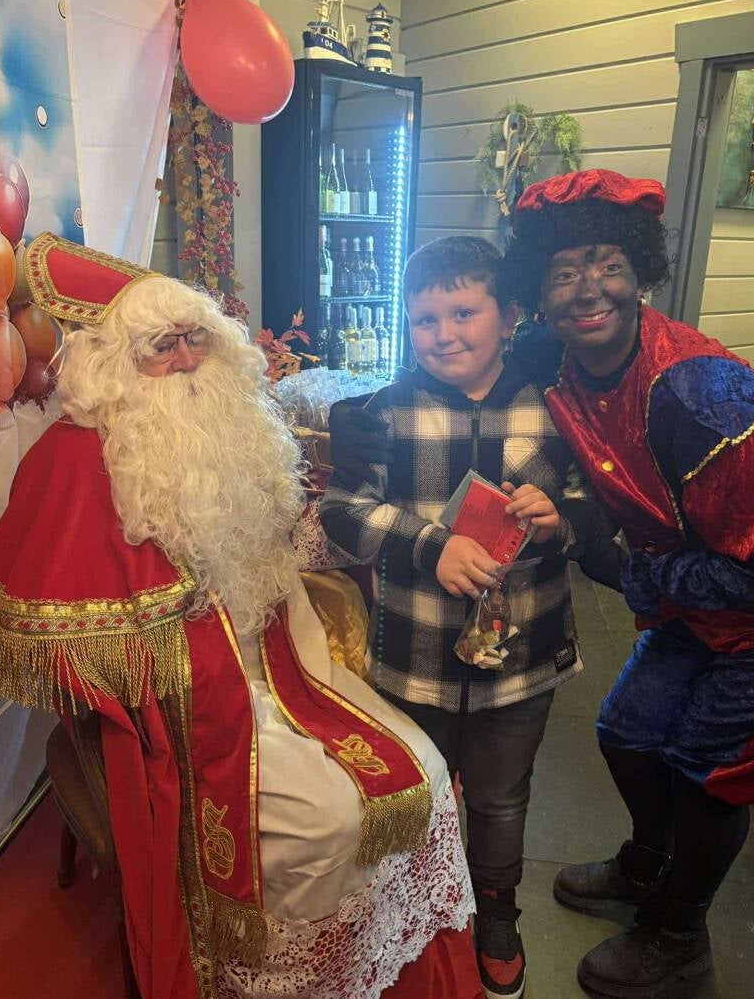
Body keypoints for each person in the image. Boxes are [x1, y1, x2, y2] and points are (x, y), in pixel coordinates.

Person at [0, 232, 484, 999]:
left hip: (284, 663)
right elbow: (39, 629)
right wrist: (151, 640)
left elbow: (281, 549)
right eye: (162, 346)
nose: (187, 359)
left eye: (197, 338)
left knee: (420, 766)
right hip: (180, 712)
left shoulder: (230, 429)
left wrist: (343, 507)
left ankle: (385, 969)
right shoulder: (72, 458)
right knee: (327, 823)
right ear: (114, 363)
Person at [499, 168, 754, 997]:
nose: (588, 287)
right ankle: (647, 868)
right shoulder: (555, 359)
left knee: (708, 772)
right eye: (564, 271)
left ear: (640, 273)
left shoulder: (698, 393)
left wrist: (632, 569)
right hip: (693, 601)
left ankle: (679, 937)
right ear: (540, 295)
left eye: (608, 264)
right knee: (628, 732)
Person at [320, 236, 621, 999]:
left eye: (463, 313)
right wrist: (430, 545)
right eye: (424, 319)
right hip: (413, 654)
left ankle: (497, 914)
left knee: (500, 797)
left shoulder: (555, 410)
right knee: (418, 788)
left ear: (509, 315)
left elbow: (599, 506)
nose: (443, 334)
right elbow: (343, 511)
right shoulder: (386, 413)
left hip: (524, 656)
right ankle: (413, 908)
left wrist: (560, 519)